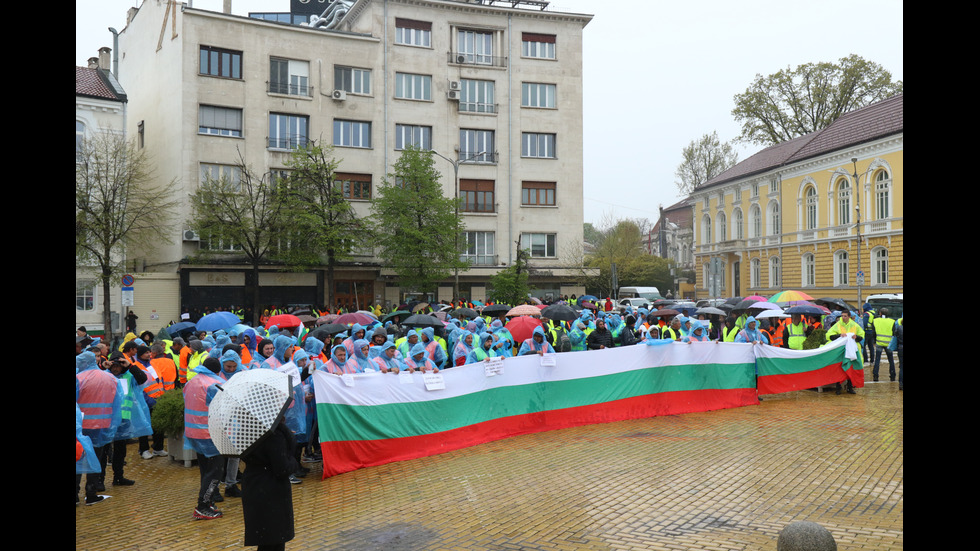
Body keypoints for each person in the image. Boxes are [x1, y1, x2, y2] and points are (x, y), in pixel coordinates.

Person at [241, 419, 298, 551]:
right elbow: (282, 468)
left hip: (253, 486)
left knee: (265, 540)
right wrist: (293, 460)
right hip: (271, 491)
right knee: (275, 540)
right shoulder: (274, 435)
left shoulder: (247, 430)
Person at [76, 351, 123, 505]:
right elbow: (118, 403)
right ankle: (91, 493)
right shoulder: (110, 378)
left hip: (81, 426)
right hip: (102, 425)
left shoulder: (79, 378)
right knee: (96, 458)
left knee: (78, 458)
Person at [183, 356, 226, 520]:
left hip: (194, 433)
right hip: (210, 434)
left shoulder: (192, 381)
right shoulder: (214, 385)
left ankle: (207, 503)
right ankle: (203, 505)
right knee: (215, 471)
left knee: (205, 470)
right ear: (217, 370)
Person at [872, 308, 897, 382]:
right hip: (888, 343)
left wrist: (875, 340)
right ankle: (892, 376)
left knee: (877, 360)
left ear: (880, 313)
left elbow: (874, 332)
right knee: (891, 360)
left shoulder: (875, 321)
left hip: (879, 342)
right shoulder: (892, 321)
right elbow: (894, 333)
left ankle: (875, 376)